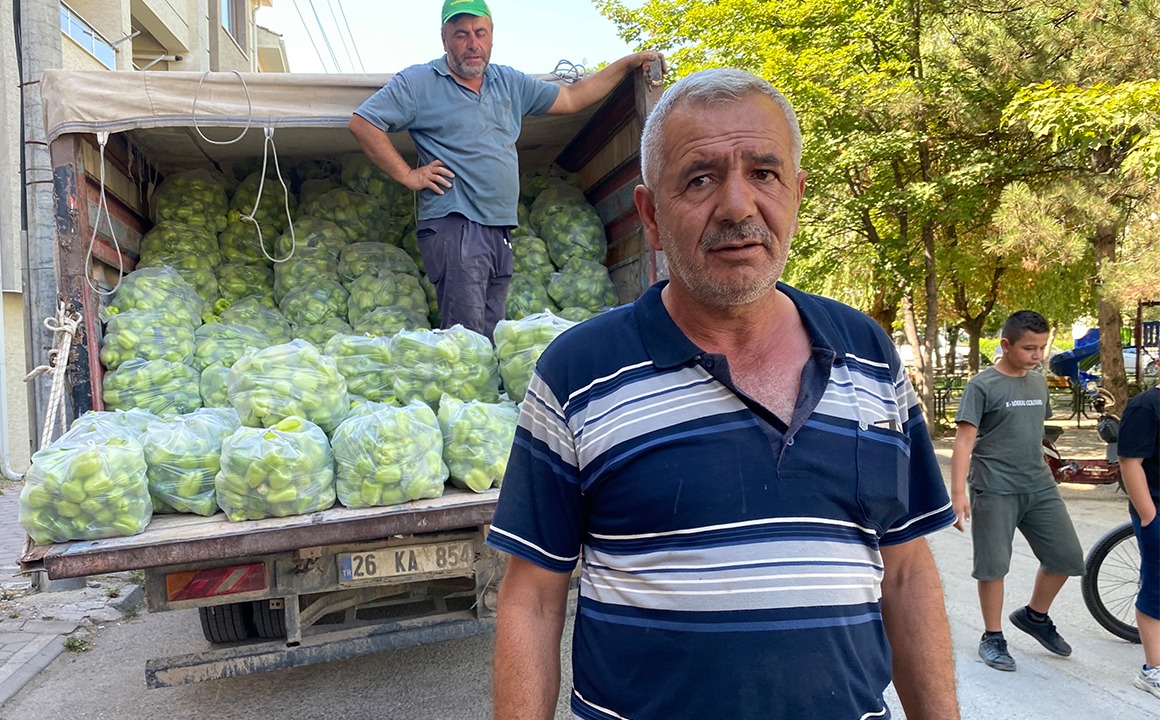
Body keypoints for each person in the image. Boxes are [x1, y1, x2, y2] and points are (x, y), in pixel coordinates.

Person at [487, 68, 960, 720]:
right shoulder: (579, 374)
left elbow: (906, 572)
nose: (738, 206)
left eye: (763, 173)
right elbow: (533, 600)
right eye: (701, 178)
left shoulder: (869, 356)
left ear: (796, 194)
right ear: (650, 215)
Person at [348, 0, 663, 339]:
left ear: (492, 37)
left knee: (489, 331)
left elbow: (572, 98)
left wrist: (629, 62)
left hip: (499, 228)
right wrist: (409, 175)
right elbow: (363, 122)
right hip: (456, 225)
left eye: (480, 33)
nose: (472, 43)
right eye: (461, 35)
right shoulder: (419, 82)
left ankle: (479, 392)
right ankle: (464, 391)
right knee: (465, 337)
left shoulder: (508, 82)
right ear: (444, 40)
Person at [950, 310, 1085, 672]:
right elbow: (964, 441)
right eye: (1029, 348)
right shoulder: (982, 385)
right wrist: (958, 492)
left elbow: (1033, 429)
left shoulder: (1038, 382)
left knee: (1068, 557)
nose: (1037, 355)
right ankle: (992, 637)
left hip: (1039, 484)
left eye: (1041, 348)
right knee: (993, 566)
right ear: (1006, 345)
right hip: (994, 487)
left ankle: (1035, 617)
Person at [1118, 384, 1159, 699]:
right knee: (1156, 590)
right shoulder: (1146, 406)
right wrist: (1149, 516)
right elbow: (1130, 463)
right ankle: (1152, 670)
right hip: (1156, 510)